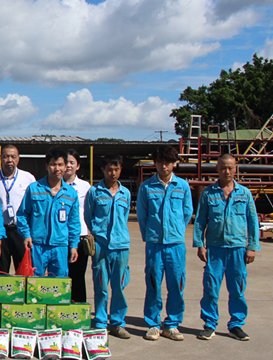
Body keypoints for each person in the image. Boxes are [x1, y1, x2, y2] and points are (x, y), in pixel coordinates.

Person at [193, 153, 259, 341]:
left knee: (237, 289)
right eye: (223, 168)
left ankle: (236, 325)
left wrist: (252, 246)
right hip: (215, 249)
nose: (226, 171)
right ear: (217, 169)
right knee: (211, 288)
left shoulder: (244, 193)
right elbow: (200, 221)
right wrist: (200, 245)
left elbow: (252, 221)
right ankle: (210, 324)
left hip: (238, 248)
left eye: (230, 168)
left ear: (235, 169)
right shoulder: (208, 193)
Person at [136, 145, 193, 341]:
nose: (164, 166)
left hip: (176, 244)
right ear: (155, 163)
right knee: (153, 283)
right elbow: (142, 215)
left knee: (176, 284)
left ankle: (172, 324)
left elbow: (187, 213)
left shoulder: (182, 186)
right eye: (160, 162)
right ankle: (153, 324)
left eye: (168, 162)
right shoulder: (147, 187)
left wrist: (176, 231)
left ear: (174, 163)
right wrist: (151, 234)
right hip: (154, 244)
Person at [84, 154, 132, 339]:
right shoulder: (94, 192)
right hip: (101, 245)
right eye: (110, 169)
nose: (113, 173)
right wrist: (97, 235)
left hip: (121, 246)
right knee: (101, 285)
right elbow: (88, 216)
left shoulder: (125, 193)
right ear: (103, 170)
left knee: (119, 286)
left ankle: (117, 323)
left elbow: (124, 217)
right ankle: (101, 322)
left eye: (117, 169)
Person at [16, 147, 80, 277]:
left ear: (65, 167)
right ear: (47, 166)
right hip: (37, 246)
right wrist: (26, 235)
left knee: (58, 283)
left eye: (60, 165)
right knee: (34, 283)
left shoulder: (71, 193)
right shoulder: (34, 189)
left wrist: (74, 245)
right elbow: (22, 214)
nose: (57, 169)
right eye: (53, 164)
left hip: (60, 247)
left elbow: (74, 222)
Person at [0, 144, 36, 274]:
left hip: (20, 231)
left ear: (18, 158)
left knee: (24, 271)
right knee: (1, 272)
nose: (10, 160)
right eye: (6, 156)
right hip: (0, 231)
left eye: (13, 156)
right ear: (1, 158)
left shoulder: (28, 178)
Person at [64, 149, 91, 303]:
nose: (68, 165)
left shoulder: (85, 187)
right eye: (65, 162)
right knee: (62, 276)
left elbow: (90, 210)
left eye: (72, 162)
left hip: (79, 236)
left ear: (78, 166)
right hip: (60, 238)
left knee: (78, 276)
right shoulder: (54, 185)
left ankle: (79, 308)